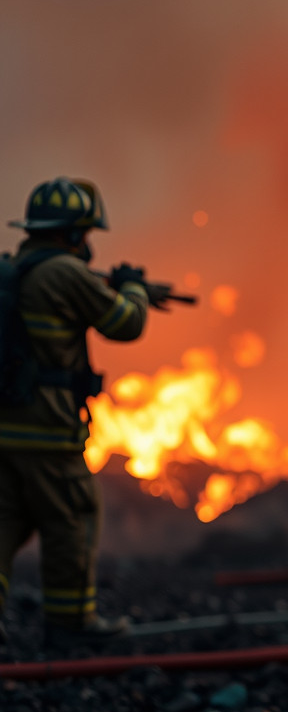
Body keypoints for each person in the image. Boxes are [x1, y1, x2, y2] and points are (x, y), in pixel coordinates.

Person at [0, 177, 167, 650]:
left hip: (7, 428)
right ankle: (70, 625)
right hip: (49, 431)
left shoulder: (15, 271)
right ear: (72, 233)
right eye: (85, 233)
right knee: (72, 516)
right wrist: (133, 289)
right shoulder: (65, 273)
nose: (88, 243)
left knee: (5, 522)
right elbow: (125, 323)